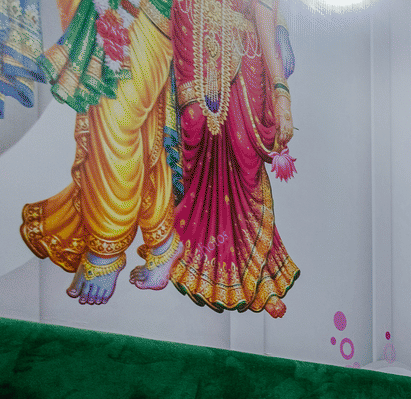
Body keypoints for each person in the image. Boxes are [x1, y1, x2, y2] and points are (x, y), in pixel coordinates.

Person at [21, 0, 183, 304]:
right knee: (139, 130)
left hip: (148, 12)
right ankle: (162, 241)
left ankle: (106, 248)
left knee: (115, 129)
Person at [167, 0, 296, 317]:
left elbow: (265, 15)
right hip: (195, 57)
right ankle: (199, 267)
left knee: (245, 170)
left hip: (245, 69)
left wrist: (281, 92)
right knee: (203, 178)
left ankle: (260, 280)